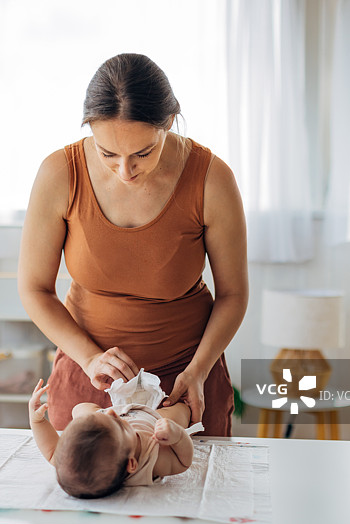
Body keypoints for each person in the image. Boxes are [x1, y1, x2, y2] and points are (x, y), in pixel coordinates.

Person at [18, 52, 248, 434]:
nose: (126, 171)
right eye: (108, 153)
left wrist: (198, 371)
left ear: (168, 122)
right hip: (88, 379)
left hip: (183, 384)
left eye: (143, 152)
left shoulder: (212, 179)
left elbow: (234, 294)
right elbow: (34, 289)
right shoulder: (59, 173)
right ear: (90, 127)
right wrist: (91, 359)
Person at [29, 379, 194, 499]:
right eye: (120, 425)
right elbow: (183, 462)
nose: (112, 412)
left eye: (108, 415)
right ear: (132, 463)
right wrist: (178, 436)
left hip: (105, 427)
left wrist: (37, 420)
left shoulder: (72, 461)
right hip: (149, 418)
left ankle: (99, 418)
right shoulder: (151, 459)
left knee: (81, 409)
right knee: (180, 411)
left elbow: (51, 452)